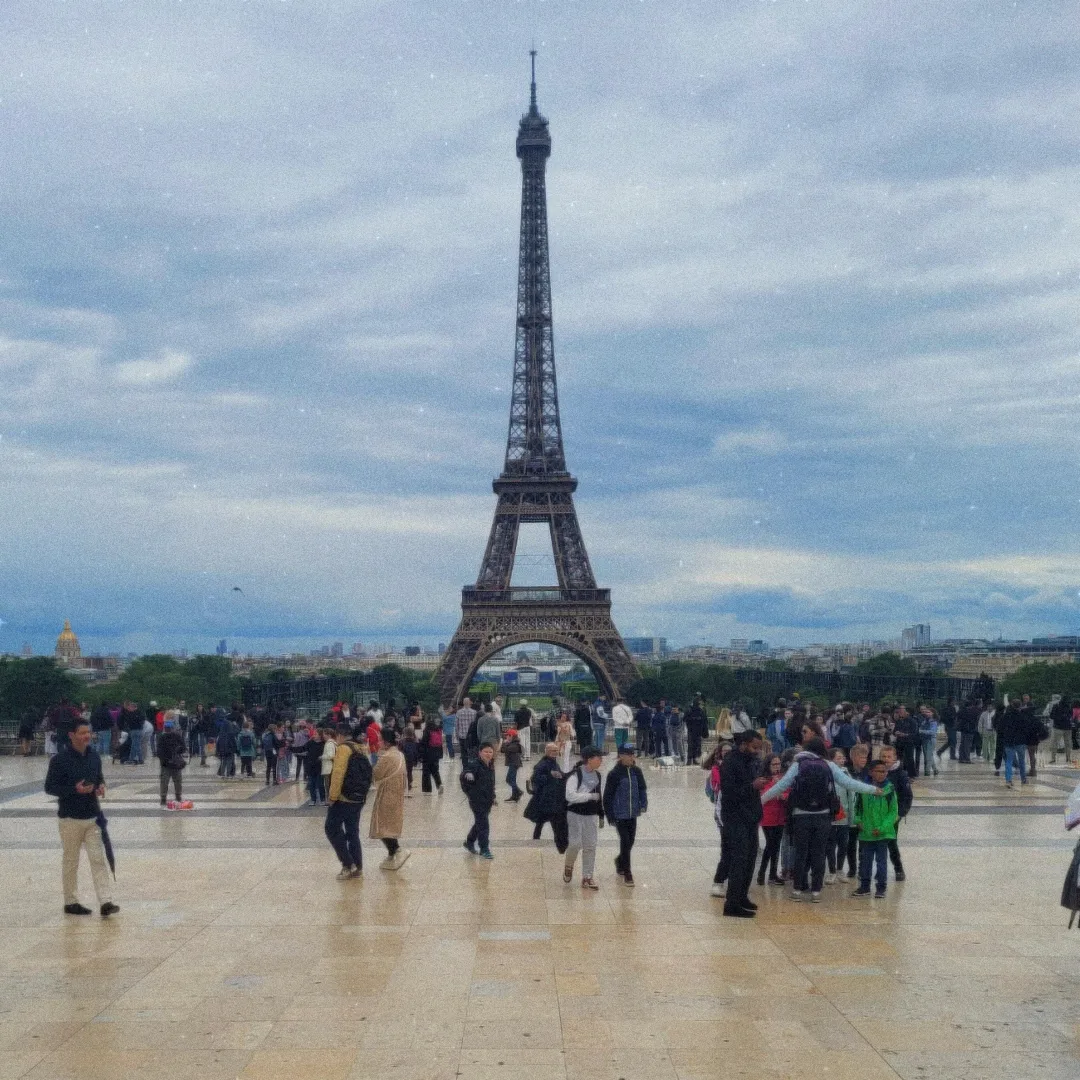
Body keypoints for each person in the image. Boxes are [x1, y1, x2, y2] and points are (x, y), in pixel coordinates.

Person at [761, 736, 879, 901]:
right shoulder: (829, 765)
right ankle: (816, 891)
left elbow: (781, 786)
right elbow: (848, 783)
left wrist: (761, 800)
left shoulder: (798, 764)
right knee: (818, 852)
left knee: (801, 852)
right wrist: (873, 789)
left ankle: (797, 890)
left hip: (801, 815)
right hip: (823, 815)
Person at [43, 720, 118, 917]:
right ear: (71, 735)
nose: (86, 736)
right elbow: (49, 787)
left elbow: (98, 777)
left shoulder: (94, 756)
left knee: (98, 859)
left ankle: (106, 901)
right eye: (82, 732)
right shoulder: (59, 760)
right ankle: (71, 901)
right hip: (70, 818)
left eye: (88, 732)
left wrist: (100, 785)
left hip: (92, 816)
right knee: (71, 861)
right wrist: (73, 790)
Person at [717, 730, 766, 917]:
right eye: (754, 747)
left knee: (750, 858)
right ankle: (732, 904)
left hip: (751, 817)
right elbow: (730, 793)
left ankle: (742, 896)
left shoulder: (751, 762)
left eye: (759, 748)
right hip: (735, 817)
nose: (756, 751)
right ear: (744, 744)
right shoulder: (730, 762)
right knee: (739, 859)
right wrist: (752, 786)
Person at [325, 727, 372, 879]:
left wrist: (332, 797)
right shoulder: (361, 748)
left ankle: (348, 864)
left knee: (331, 828)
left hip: (344, 798)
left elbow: (338, 773)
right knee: (352, 831)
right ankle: (357, 866)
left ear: (339, 735)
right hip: (358, 798)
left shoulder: (344, 748)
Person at [851, 759, 899, 898]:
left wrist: (883, 827)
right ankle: (864, 886)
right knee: (865, 861)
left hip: (883, 834)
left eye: (884, 771)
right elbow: (857, 807)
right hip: (866, 832)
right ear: (871, 772)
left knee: (881, 862)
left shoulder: (889, 790)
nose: (882, 774)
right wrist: (858, 820)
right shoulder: (863, 789)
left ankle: (881, 888)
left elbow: (893, 812)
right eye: (878, 771)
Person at [602, 744, 647, 886]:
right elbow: (607, 796)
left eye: (633, 754)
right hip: (619, 814)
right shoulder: (614, 774)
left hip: (632, 813)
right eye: (628, 755)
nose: (631, 757)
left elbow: (642, 789)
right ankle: (628, 872)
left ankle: (620, 861)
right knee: (625, 841)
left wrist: (643, 804)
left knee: (631, 840)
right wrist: (609, 815)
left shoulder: (637, 772)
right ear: (621, 756)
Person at [369, 728, 411, 869]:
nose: (379, 742)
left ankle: (396, 850)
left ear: (386, 743)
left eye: (380, 739)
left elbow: (376, 774)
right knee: (389, 823)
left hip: (387, 793)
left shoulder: (387, 757)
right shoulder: (399, 754)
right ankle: (392, 853)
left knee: (383, 825)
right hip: (396, 792)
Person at [564, 747, 604, 889]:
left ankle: (587, 877)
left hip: (591, 815)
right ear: (589, 759)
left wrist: (601, 814)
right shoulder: (575, 775)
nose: (600, 761)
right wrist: (589, 796)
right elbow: (570, 796)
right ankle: (569, 864)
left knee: (590, 846)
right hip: (574, 814)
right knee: (575, 844)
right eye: (598, 758)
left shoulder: (598, 776)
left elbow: (599, 796)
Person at [524, 742, 568, 852]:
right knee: (547, 821)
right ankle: (555, 842)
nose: (555, 753)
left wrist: (565, 775)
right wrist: (549, 776)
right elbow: (535, 778)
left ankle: (552, 842)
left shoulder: (554, 763)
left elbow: (560, 775)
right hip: (544, 799)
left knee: (547, 821)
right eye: (553, 751)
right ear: (547, 751)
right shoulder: (542, 764)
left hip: (552, 798)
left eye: (556, 751)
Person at [878, 745, 912, 880]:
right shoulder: (874, 771)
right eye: (883, 757)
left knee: (891, 842)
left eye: (889, 757)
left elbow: (907, 796)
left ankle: (898, 868)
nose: (886, 759)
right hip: (874, 814)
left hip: (892, 816)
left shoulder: (901, 775)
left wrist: (900, 813)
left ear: (894, 758)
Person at [461, 742, 497, 859]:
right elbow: (464, 775)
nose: (488, 754)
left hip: (487, 800)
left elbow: (491, 783)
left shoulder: (490, 766)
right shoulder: (474, 765)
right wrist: (467, 776)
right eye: (485, 752)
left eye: (490, 752)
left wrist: (493, 796)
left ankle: (469, 841)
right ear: (480, 753)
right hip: (477, 801)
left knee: (480, 823)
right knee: (484, 825)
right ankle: (484, 849)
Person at [756, 753, 787, 887]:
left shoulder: (783, 778)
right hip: (768, 817)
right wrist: (774, 786)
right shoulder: (763, 779)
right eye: (774, 764)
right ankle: (761, 873)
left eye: (778, 764)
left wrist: (783, 795)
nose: (776, 767)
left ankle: (773, 874)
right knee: (770, 845)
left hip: (780, 817)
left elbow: (787, 791)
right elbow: (762, 796)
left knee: (776, 846)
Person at [999, 698, 1029, 788]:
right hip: (1020, 741)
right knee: (1021, 761)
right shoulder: (1022, 716)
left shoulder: (1006, 716)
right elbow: (1026, 729)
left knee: (1009, 761)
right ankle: (1023, 778)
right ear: (1020, 706)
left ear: (1011, 705)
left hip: (1009, 741)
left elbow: (1000, 727)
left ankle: (1008, 780)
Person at [156, 718, 187, 808]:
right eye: (167, 727)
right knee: (168, 781)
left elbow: (183, 747)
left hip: (173, 764)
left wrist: (177, 752)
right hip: (167, 764)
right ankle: (165, 798)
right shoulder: (162, 738)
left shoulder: (175, 737)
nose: (168, 729)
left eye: (169, 728)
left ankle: (176, 797)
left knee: (175, 781)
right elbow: (159, 752)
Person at [420, 717, 445, 794]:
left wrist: (421, 753)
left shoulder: (427, 730)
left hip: (428, 753)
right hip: (436, 753)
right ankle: (439, 784)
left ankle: (427, 790)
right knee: (435, 771)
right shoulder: (438, 730)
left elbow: (424, 743)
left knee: (426, 772)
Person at [501, 728, 523, 801]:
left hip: (514, 764)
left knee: (509, 779)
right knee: (512, 780)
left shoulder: (515, 744)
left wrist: (504, 743)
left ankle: (518, 791)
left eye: (507, 735)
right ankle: (515, 795)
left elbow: (505, 750)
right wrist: (506, 743)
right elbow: (502, 750)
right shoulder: (512, 743)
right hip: (512, 763)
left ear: (511, 736)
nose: (506, 737)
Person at [401, 723, 419, 797]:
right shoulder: (414, 742)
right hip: (411, 760)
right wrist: (415, 761)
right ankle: (410, 789)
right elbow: (415, 753)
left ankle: (404, 789)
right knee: (409, 774)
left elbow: (400, 751)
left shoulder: (402, 742)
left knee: (404, 774)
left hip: (403, 760)